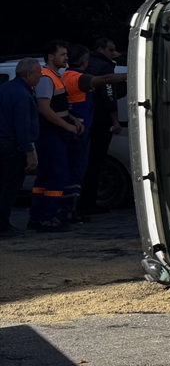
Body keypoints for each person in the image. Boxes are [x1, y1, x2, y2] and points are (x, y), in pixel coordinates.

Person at [61, 43, 125, 223]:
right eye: (111, 49)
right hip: (81, 130)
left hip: (79, 127)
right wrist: (132, 76)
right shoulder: (78, 77)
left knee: (77, 170)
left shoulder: (67, 75)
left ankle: (71, 209)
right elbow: (106, 83)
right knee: (80, 170)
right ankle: (72, 210)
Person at [31, 40, 82, 232]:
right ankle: (48, 218)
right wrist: (68, 127)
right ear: (51, 57)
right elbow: (44, 108)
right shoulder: (46, 78)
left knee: (44, 178)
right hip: (50, 134)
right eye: (62, 54)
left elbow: (57, 106)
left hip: (51, 133)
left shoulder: (53, 77)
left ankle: (37, 217)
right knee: (57, 175)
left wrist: (72, 119)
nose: (66, 57)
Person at [79, 36, 125, 215]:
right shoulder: (105, 67)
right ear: (101, 50)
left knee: (84, 163)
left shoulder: (87, 64)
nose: (114, 53)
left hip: (86, 119)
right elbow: (108, 96)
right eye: (111, 50)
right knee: (96, 163)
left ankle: (82, 202)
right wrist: (114, 120)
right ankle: (88, 203)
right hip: (100, 122)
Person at [0, 58, 41, 237]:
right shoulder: (23, 96)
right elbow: (22, 127)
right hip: (12, 145)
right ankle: (3, 225)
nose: (41, 76)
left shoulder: (4, 88)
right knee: (10, 186)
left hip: (3, 141)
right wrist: (29, 153)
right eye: (38, 72)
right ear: (28, 74)